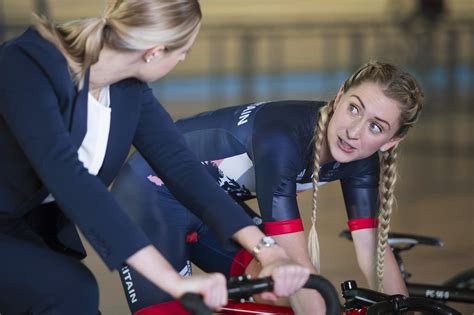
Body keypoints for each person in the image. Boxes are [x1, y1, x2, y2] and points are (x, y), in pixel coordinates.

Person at [0, 1, 310, 314]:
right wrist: (172, 282)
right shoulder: (27, 64)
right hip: (10, 224)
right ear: (155, 51)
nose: (183, 58)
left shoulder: (128, 90)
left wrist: (267, 251)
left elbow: (183, 168)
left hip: (25, 227)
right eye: (184, 51)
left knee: (72, 295)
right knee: (71, 290)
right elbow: (71, 181)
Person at [111, 61, 424, 314]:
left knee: (281, 291)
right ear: (340, 96)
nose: (354, 131)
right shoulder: (283, 137)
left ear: (391, 141)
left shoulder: (361, 159)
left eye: (375, 127)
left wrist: (403, 309)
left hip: (212, 206)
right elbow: (293, 256)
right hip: (147, 195)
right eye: (354, 108)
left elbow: (372, 252)